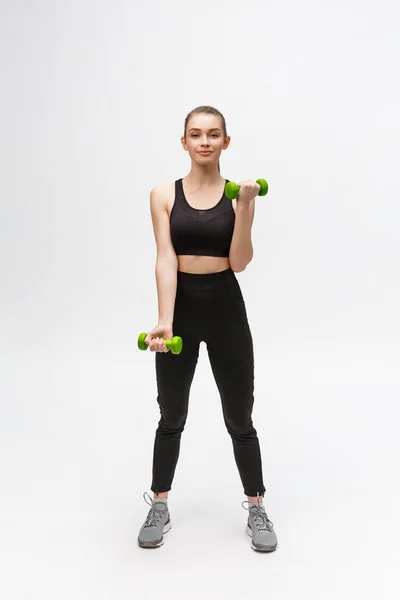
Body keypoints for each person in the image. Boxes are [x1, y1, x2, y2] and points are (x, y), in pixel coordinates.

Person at [137, 106, 278, 552]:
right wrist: (164, 318)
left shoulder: (239, 195)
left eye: (213, 134)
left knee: (240, 417)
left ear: (225, 142)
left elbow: (239, 262)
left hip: (225, 307)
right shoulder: (162, 194)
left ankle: (256, 505)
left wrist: (247, 207)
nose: (204, 141)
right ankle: (159, 503)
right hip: (181, 312)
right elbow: (165, 258)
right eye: (195, 134)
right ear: (184, 142)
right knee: (171, 415)